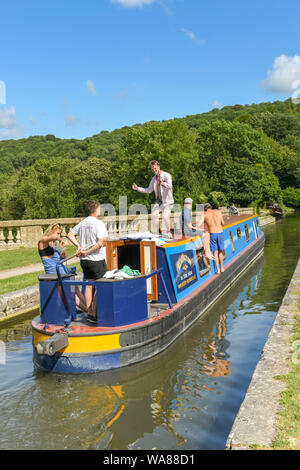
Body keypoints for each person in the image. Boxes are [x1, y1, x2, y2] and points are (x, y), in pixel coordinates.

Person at [67, 200, 108, 324]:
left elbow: (70, 235)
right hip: (96, 260)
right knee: (100, 285)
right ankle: (95, 313)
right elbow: (100, 243)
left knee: (89, 285)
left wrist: (79, 247)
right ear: (97, 210)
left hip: (84, 262)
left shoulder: (83, 223)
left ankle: (89, 313)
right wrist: (87, 251)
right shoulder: (99, 223)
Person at [38, 223, 87, 312]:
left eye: (60, 234)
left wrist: (62, 256)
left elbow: (59, 260)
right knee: (69, 292)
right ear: (51, 231)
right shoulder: (42, 242)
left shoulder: (54, 244)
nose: (59, 236)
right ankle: (87, 311)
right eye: (58, 233)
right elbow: (49, 238)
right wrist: (59, 239)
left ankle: (89, 308)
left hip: (61, 270)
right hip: (54, 273)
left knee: (75, 288)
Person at [132, 160, 174, 238]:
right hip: (159, 201)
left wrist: (164, 184)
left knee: (165, 216)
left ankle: (169, 232)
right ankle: (159, 232)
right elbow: (149, 190)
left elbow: (170, 186)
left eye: (155, 168)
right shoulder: (153, 179)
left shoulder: (167, 175)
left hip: (168, 201)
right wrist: (138, 188)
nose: (154, 170)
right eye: (152, 169)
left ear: (158, 166)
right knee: (154, 214)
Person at [204, 203, 225, 274]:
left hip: (212, 234)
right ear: (211, 207)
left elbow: (202, 225)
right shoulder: (218, 212)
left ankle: (218, 270)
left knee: (215, 253)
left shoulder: (205, 215)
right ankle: (222, 268)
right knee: (220, 252)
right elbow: (223, 223)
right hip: (220, 233)